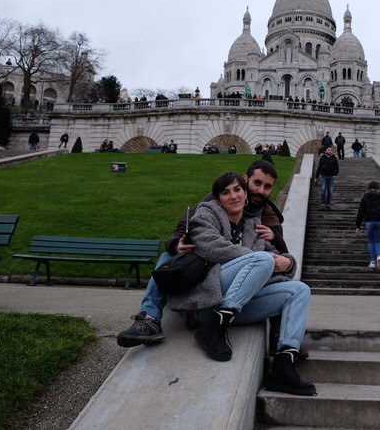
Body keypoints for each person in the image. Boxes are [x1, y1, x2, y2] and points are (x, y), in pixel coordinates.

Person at [118, 166, 315, 396]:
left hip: (236, 302)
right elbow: (210, 247)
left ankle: (283, 364)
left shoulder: (258, 224)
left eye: (238, 191)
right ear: (218, 198)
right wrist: (263, 260)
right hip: (205, 301)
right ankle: (193, 323)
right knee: (261, 260)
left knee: (300, 290)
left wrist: (288, 263)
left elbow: (280, 257)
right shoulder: (206, 213)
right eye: (227, 192)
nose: (234, 196)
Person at [355, 181, 380, 269]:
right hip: (379, 221)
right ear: (378, 188)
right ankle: (379, 256)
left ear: (369, 188)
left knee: (371, 241)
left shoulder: (365, 198)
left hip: (369, 221)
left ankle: (372, 261)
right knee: (378, 241)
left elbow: (360, 212)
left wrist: (357, 226)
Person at [314, 145, 339, 210]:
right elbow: (319, 168)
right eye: (328, 150)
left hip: (331, 177)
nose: (330, 151)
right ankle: (323, 203)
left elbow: (337, 168)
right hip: (324, 176)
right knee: (323, 190)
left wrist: (335, 175)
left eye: (331, 150)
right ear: (325, 151)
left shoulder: (334, 158)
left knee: (330, 191)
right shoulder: (323, 158)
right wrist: (316, 178)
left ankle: (328, 203)